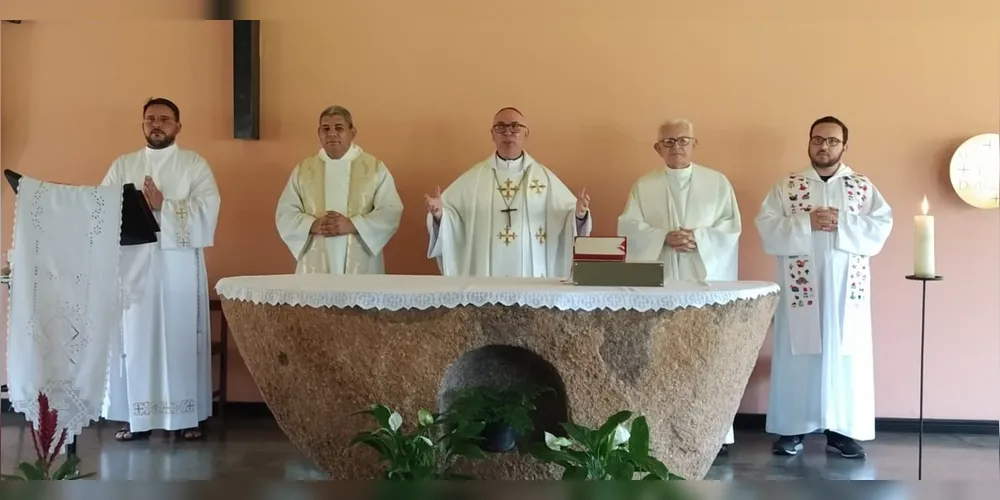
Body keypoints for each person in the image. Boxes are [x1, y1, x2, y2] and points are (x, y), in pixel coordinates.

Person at [755, 115, 893, 459]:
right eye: (818, 139)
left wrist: (842, 221)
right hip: (802, 289)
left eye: (832, 141)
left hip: (848, 291)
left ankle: (842, 432)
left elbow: (881, 226)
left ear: (844, 146)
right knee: (798, 355)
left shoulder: (861, 186)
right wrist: (806, 221)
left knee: (846, 356)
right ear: (809, 142)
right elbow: (767, 226)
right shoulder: (787, 185)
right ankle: (793, 429)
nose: (824, 146)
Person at [616, 118, 741, 456]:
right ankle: (654, 428)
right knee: (658, 354)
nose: (676, 147)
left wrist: (699, 239)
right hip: (661, 280)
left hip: (702, 278)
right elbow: (628, 225)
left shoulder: (717, 183)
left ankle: (714, 432)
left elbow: (731, 227)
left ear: (694, 143)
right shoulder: (644, 186)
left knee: (707, 354)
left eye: (683, 140)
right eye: (668, 142)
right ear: (658, 148)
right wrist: (662, 237)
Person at [100, 97, 222, 441]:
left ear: (178, 126)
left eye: (165, 119)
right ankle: (134, 417)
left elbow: (209, 208)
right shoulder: (124, 165)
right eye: (151, 119)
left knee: (179, 335)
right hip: (134, 267)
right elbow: (102, 207)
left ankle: (185, 416)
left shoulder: (194, 164)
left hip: (177, 267)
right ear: (142, 125)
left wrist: (163, 206)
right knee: (134, 339)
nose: (157, 124)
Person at [425, 107, 591, 277]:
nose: (508, 132)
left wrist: (578, 216)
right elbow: (451, 221)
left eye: (515, 127)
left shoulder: (545, 179)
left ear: (526, 134)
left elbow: (568, 221)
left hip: (532, 276)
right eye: (500, 127)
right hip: (484, 276)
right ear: (492, 134)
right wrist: (439, 215)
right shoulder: (473, 180)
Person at [275, 105, 403, 274]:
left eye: (339, 128)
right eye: (325, 128)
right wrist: (314, 225)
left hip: (362, 262)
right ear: (319, 133)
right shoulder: (304, 171)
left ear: (353, 132)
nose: (332, 133)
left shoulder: (374, 168)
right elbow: (285, 213)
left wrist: (353, 225)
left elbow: (390, 211)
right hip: (315, 260)